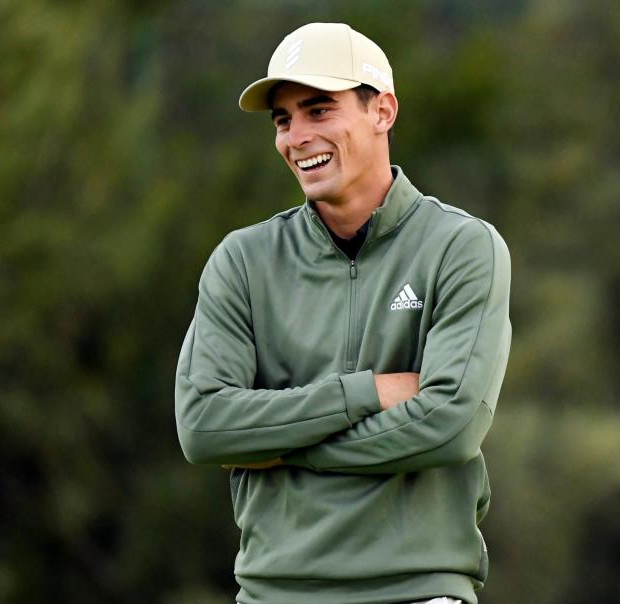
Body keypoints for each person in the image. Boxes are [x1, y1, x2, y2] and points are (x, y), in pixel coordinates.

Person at [175, 22, 512, 604]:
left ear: (382, 111)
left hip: (419, 591)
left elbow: (451, 424)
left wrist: (277, 447)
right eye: (283, 120)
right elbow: (204, 427)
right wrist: (364, 394)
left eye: (318, 110)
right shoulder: (242, 261)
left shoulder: (463, 247)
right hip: (272, 594)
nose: (296, 136)